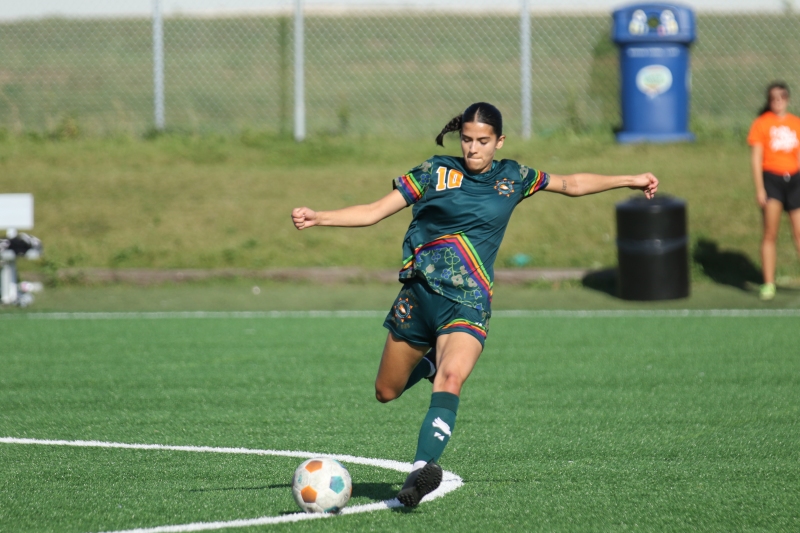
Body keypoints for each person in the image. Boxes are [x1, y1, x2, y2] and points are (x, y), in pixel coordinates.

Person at [291, 102, 658, 507]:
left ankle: (420, 470)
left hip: (468, 303)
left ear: (499, 141)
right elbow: (376, 211)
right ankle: (428, 362)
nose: (473, 149)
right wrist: (319, 217)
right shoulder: (434, 172)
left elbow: (571, 183)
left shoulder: (514, 177)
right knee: (385, 391)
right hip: (418, 297)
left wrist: (630, 179)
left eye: (483, 141)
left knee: (452, 379)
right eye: (467, 140)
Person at [747, 81, 800, 301]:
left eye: (782, 97)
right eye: (773, 98)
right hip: (772, 181)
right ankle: (768, 283)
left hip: (795, 180)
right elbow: (756, 158)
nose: (778, 102)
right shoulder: (761, 124)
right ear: (768, 101)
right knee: (770, 233)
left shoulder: (796, 123)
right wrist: (760, 189)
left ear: (787, 99)